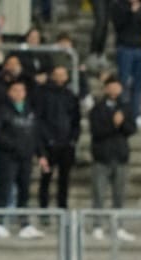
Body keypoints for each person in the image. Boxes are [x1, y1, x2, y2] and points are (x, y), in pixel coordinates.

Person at [0, 80, 49, 239]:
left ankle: (24, 224)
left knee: (25, 190)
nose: (18, 93)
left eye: (21, 90)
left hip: (26, 157)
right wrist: (15, 145)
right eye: (15, 90)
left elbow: (36, 135)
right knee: (3, 189)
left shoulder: (30, 111)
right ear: (9, 92)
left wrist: (41, 155)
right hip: (7, 157)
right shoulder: (1, 110)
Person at [89, 73, 137, 239]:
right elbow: (96, 131)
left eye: (117, 86)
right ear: (105, 88)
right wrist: (113, 123)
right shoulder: (97, 108)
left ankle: (118, 226)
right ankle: (97, 225)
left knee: (119, 195)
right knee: (99, 195)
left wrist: (122, 123)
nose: (114, 89)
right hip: (102, 157)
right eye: (111, 86)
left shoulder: (126, 107)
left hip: (120, 156)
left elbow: (131, 129)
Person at [36, 64, 82, 210]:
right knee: (46, 178)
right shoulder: (43, 94)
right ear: (52, 75)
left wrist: (73, 139)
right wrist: (47, 139)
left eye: (63, 74)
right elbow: (40, 119)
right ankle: (44, 209)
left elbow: (76, 119)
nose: (61, 77)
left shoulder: (70, 96)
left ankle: (63, 207)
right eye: (58, 73)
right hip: (49, 144)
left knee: (64, 179)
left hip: (66, 144)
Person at [113, 0, 141, 125]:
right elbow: (118, 26)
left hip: (139, 48)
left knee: (138, 84)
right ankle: (122, 112)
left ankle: (135, 114)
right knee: (123, 82)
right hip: (124, 48)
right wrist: (131, 13)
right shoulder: (119, 6)